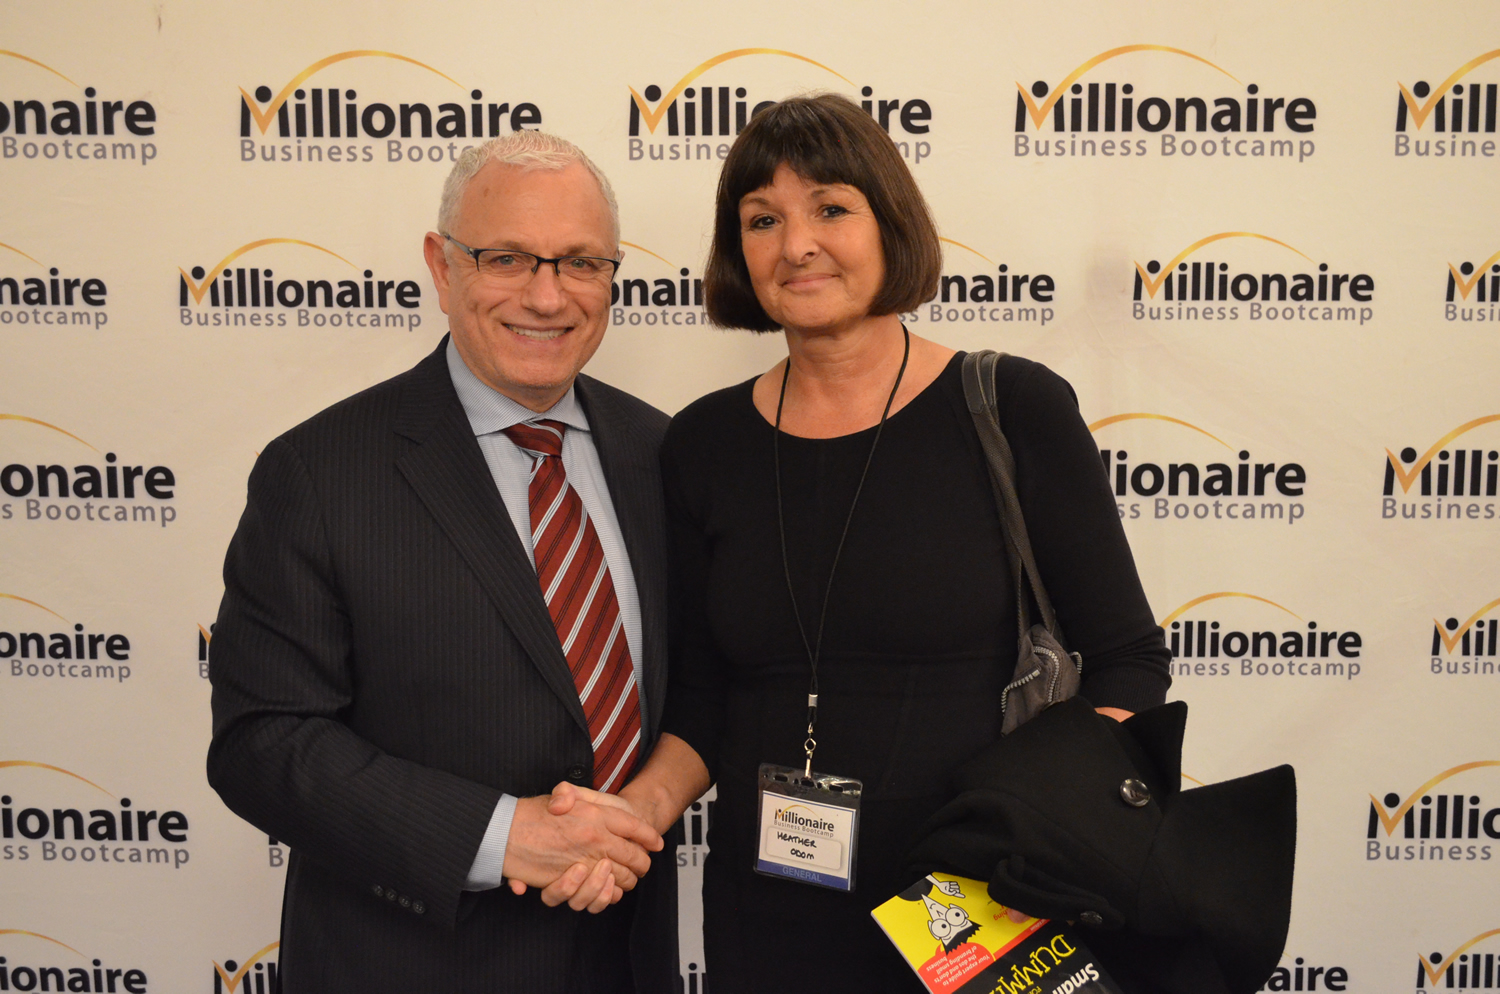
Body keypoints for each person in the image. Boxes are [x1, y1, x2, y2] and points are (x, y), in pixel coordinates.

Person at [557, 94, 1173, 992]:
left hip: (984, 904)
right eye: (762, 219)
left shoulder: (1011, 408)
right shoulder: (702, 443)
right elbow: (703, 696)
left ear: (890, 225)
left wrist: (1035, 818)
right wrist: (627, 819)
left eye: (831, 208)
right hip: (769, 911)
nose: (796, 244)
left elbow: (1128, 662)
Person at [206, 131, 676, 994]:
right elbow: (262, 742)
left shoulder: (663, 453)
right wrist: (502, 837)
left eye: (580, 263)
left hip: (625, 961)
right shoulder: (319, 471)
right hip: (409, 964)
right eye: (507, 258)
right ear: (442, 263)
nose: (547, 295)